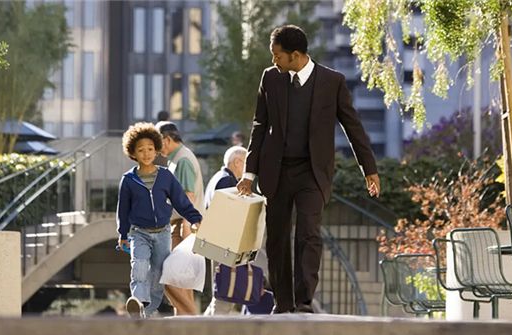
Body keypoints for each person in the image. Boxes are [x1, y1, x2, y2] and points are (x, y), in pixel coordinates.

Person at [236, 25, 380, 314]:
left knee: (309, 233)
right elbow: (259, 126)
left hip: (313, 173)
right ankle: (282, 301)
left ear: (296, 55)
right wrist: (249, 173)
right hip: (276, 171)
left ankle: (303, 301)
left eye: (277, 55)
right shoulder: (270, 78)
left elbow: (353, 126)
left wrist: (369, 169)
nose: (274, 60)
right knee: (276, 237)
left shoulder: (332, 82)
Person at [116, 122, 202, 318]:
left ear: (156, 150)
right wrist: (122, 234)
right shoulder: (128, 180)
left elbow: (181, 201)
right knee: (139, 265)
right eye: (141, 150)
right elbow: (123, 210)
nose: (146, 153)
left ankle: (146, 310)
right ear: (133, 153)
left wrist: (195, 218)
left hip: (163, 233)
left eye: (150, 149)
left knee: (157, 274)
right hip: (139, 233)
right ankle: (137, 302)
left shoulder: (165, 177)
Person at [156, 121, 205, 315]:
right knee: (182, 282)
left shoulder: (182, 159)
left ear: (167, 140)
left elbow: (188, 198)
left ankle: (193, 320)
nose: (156, 150)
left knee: (168, 276)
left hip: (184, 227)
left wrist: (186, 233)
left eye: (157, 143)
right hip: (184, 227)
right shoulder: (177, 159)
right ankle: (187, 325)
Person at [202, 146, 246, 315]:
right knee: (225, 294)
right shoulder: (227, 181)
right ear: (237, 162)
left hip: (216, 242)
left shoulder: (217, 178)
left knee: (221, 293)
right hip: (223, 244)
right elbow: (227, 214)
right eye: (246, 164)